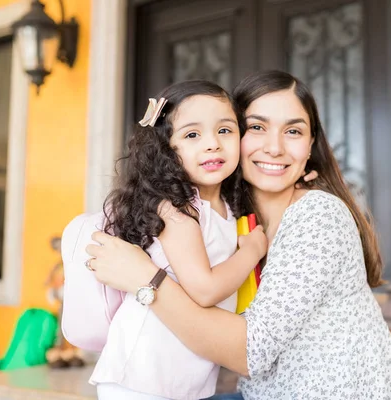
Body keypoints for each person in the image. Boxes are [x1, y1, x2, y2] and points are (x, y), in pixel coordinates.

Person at [85, 70, 391, 400]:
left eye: (293, 132)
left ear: (311, 146)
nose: (275, 148)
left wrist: (145, 280)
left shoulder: (318, 215)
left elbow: (249, 351)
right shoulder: (230, 218)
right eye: (256, 127)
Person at [61, 80, 269, 400]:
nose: (212, 143)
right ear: (167, 149)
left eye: (224, 130)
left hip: (183, 374)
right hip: (142, 374)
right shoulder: (178, 209)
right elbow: (205, 289)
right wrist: (252, 251)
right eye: (192, 135)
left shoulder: (227, 207)